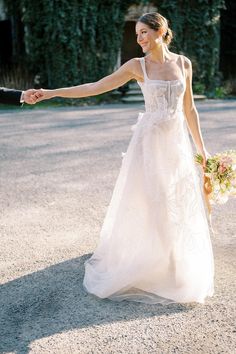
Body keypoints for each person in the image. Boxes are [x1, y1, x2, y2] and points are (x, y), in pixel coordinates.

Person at [32, 12, 214, 305]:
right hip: (150, 143)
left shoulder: (183, 63)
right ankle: (169, 263)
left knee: (179, 198)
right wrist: (51, 93)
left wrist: (202, 149)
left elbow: (190, 109)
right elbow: (95, 87)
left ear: (161, 31)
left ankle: (176, 257)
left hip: (177, 143)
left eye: (144, 32)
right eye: (137, 34)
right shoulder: (136, 66)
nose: (139, 39)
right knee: (156, 199)